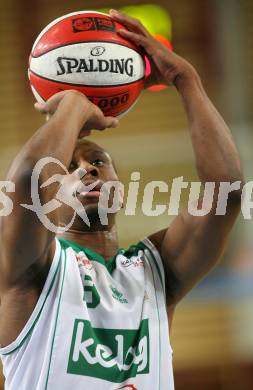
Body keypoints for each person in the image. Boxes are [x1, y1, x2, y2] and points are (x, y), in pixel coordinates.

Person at [0, 9, 243, 390]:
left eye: (98, 160)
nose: (87, 170)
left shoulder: (156, 272)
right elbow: (29, 178)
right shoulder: (31, 270)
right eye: (68, 165)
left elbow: (226, 192)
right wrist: (75, 105)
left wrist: (186, 79)